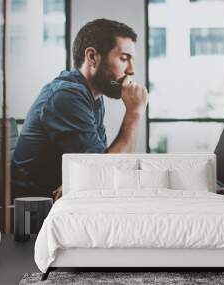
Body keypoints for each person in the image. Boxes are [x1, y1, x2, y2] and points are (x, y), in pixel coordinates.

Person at [11, 18, 149, 201]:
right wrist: (134, 112)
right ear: (92, 57)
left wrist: (79, 180)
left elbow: (102, 165)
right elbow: (108, 170)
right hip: (36, 210)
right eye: (124, 58)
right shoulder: (66, 96)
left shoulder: (93, 97)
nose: (131, 70)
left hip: (65, 201)